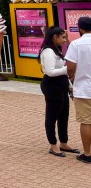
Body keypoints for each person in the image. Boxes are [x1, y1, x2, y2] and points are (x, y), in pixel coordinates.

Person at [39, 26, 79, 157]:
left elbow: (61, 69)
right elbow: (50, 72)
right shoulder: (48, 51)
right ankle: (53, 144)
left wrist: (69, 85)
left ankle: (63, 142)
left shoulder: (56, 50)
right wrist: (68, 69)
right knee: (52, 116)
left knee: (64, 115)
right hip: (52, 86)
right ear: (54, 37)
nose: (64, 40)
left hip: (61, 85)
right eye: (62, 37)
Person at [66, 16, 91, 163]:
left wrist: (72, 77)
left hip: (84, 89)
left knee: (86, 121)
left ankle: (88, 153)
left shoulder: (76, 44)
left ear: (80, 28)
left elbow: (70, 67)